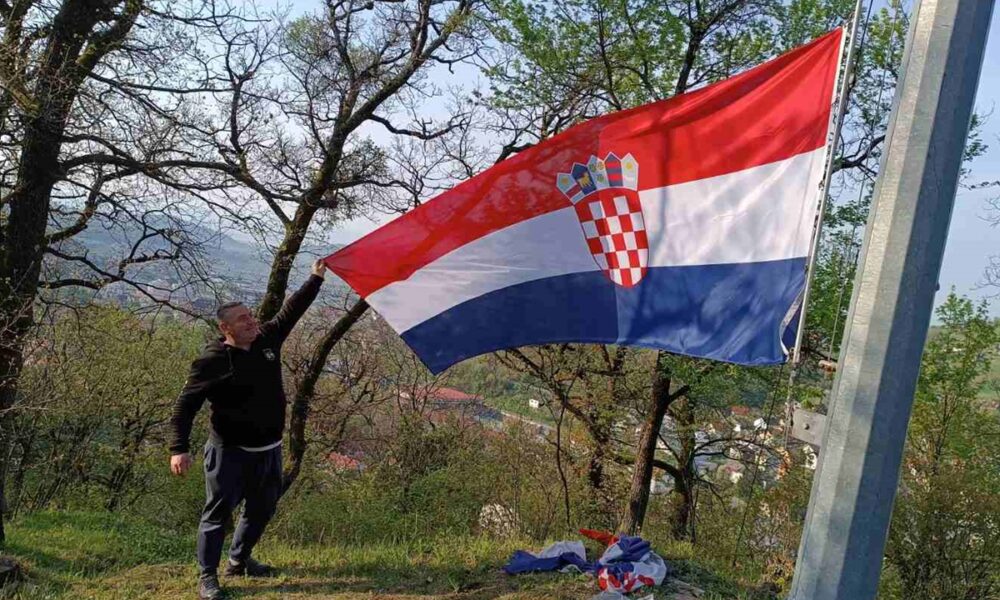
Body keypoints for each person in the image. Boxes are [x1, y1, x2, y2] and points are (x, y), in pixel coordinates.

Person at [169, 260, 327, 600]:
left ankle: (238, 561)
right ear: (225, 328)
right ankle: (207, 577)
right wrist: (178, 448)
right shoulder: (212, 360)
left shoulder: (266, 340)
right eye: (243, 319)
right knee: (217, 515)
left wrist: (316, 278)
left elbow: (290, 312)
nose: (252, 321)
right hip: (229, 453)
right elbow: (185, 405)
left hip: (269, 450)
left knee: (262, 509)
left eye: (251, 316)